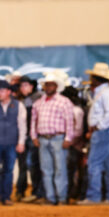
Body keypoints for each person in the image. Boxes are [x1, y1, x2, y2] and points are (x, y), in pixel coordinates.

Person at [79, 63, 109, 205]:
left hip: (104, 131)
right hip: (107, 130)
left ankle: (93, 196)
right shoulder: (105, 92)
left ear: (97, 78)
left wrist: (98, 126)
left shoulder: (106, 93)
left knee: (94, 163)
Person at [31, 70, 75, 206]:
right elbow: (34, 121)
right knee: (46, 169)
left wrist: (68, 137)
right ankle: (50, 197)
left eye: (51, 85)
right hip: (43, 138)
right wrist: (34, 136)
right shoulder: (38, 103)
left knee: (59, 169)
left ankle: (61, 197)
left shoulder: (64, 102)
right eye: (47, 85)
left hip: (58, 138)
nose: (48, 87)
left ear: (56, 86)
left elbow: (69, 121)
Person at [0, 80, 27, 205]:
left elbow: (22, 125)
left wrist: (21, 142)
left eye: (2, 91)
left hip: (12, 142)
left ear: (9, 92)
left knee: (9, 169)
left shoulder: (19, 105)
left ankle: (6, 196)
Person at [14, 76, 44, 203]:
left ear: (31, 86)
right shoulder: (20, 100)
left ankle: (36, 192)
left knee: (33, 165)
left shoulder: (38, 98)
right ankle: (21, 191)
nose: (23, 88)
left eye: (25, 85)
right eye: (21, 86)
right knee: (24, 165)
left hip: (33, 136)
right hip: (23, 136)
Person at [62, 86, 88, 201]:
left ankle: (72, 193)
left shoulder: (75, 110)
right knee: (75, 169)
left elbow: (78, 129)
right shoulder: (77, 109)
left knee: (71, 170)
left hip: (73, 144)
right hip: (75, 143)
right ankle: (74, 193)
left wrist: (70, 141)